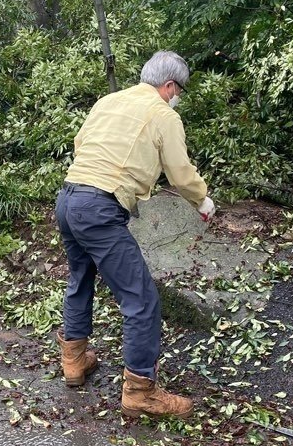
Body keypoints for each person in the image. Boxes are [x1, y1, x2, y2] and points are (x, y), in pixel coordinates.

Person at [55, 50, 216, 419]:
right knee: (141, 300)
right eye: (179, 92)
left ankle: (74, 362)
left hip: (68, 198)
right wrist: (202, 201)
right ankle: (140, 391)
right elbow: (179, 171)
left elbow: (81, 145)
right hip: (98, 208)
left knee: (81, 278)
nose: (178, 99)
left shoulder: (109, 101)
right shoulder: (164, 114)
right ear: (170, 86)